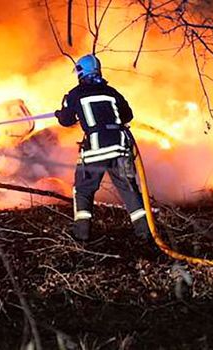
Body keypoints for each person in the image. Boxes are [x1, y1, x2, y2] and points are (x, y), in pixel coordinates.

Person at [55, 54, 150, 241]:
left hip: (96, 151)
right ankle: (146, 232)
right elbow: (127, 115)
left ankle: (82, 235)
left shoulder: (75, 94)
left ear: (81, 73)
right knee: (129, 189)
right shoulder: (112, 92)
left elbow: (66, 121)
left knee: (83, 189)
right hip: (121, 147)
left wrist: (61, 112)